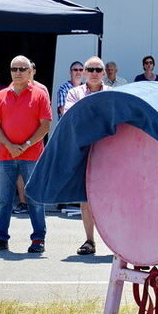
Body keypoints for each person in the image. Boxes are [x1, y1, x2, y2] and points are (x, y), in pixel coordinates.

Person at [0, 56, 51, 254]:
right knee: (3, 200)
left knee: (34, 199)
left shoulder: (40, 95)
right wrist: (9, 145)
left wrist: (26, 144)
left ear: (30, 71)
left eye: (22, 68)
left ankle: (38, 239)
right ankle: (1, 237)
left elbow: (46, 125)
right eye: (14, 68)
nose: (17, 72)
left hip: (32, 154)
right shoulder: (1, 95)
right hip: (6, 155)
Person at [63, 57, 108, 255]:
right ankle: (89, 240)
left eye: (98, 69)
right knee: (86, 198)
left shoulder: (114, 94)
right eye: (90, 68)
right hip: (83, 151)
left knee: (111, 198)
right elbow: (72, 118)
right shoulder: (74, 93)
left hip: (109, 152)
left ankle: (116, 243)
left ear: (104, 72)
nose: (94, 72)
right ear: (84, 72)